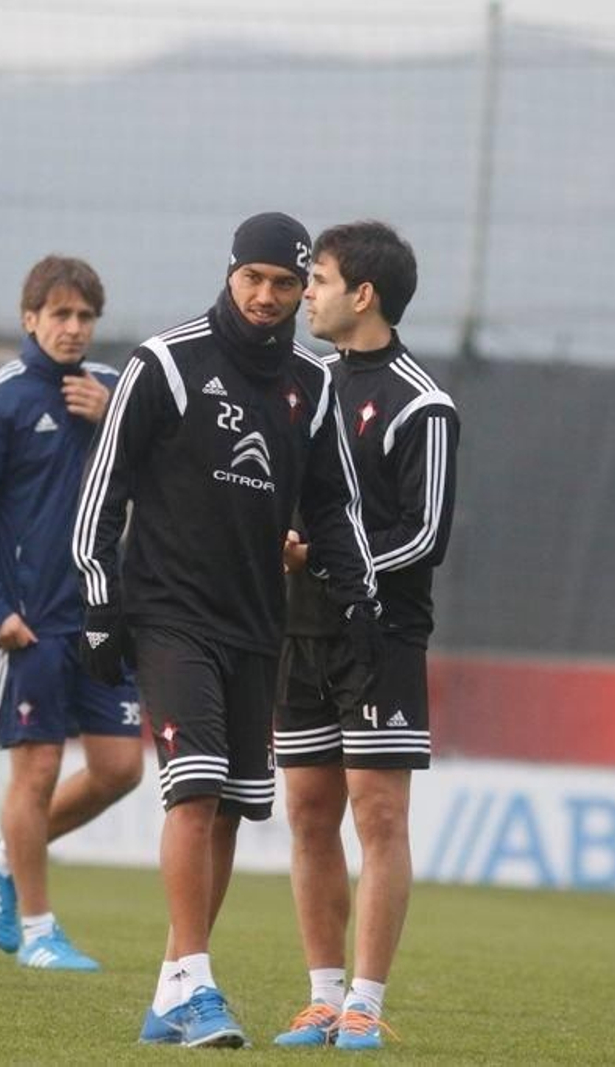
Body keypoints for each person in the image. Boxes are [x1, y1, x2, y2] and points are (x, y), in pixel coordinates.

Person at [73, 212, 381, 1048]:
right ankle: (196, 985)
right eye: (254, 278)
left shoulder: (313, 386)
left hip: (257, 626)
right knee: (195, 785)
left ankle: (170, 988)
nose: (268, 296)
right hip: (168, 614)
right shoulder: (166, 363)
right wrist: (100, 601)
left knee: (233, 812)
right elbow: (103, 490)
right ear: (230, 272)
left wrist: (357, 597)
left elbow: (332, 505)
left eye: (285, 283)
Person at [271, 221, 460, 1050]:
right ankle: (321, 994)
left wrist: (328, 558)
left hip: (379, 636)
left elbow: (424, 536)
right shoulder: (301, 386)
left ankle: (367, 1003)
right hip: (299, 630)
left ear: (364, 294)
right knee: (309, 812)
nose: (304, 293)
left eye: (316, 278)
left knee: (376, 817)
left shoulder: (424, 402)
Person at [0, 255, 143, 972]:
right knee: (39, 769)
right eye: (60, 314)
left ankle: (1, 854)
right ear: (30, 319)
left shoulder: (118, 393)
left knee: (120, 770)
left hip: (104, 621)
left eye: (85, 316)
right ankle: (40, 929)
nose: (74, 328)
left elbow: (171, 476)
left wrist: (117, 421)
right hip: (30, 624)